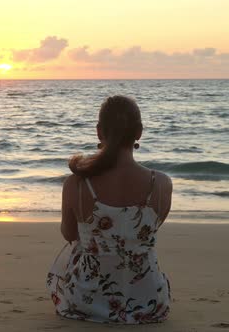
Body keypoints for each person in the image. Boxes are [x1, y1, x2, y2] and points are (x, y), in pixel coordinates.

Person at [46, 95, 172, 324]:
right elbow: (150, 230)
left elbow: (70, 235)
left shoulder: (78, 184)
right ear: (139, 132)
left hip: (85, 301)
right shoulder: (161, 184)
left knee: (79, 247)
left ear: (99, 132)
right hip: (149, 301)